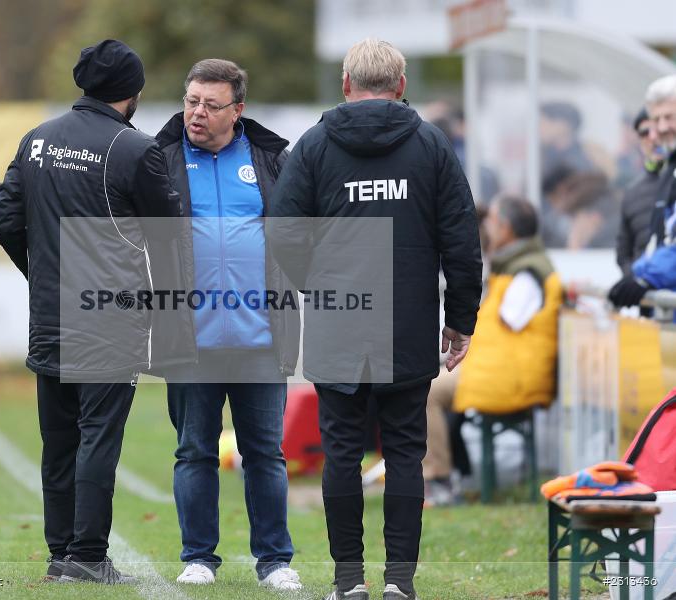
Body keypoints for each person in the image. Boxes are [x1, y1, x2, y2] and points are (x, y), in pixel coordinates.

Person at [267, 38, 483, 600]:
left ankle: (346, 580)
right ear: (402, 86)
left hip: (339, 321)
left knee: (340, 450)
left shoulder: (313, 147)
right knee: (406, 451)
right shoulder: (432, 146)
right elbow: (462, 240)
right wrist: (461, 320)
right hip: (407, 321)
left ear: (345, 84)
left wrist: (320, 287)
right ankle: (400, 582)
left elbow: (283, 236)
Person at [0, 39, 180, 585]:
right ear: (133, 92)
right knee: (98, 436)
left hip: (51, 314)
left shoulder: (38, 140)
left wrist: (42, 273)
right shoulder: (134, 149)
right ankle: (89, 555)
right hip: (111, 317)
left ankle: (60, 555)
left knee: (60, 439)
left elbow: (5, 221)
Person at [152, 59, 302, 590]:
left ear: (237, 110)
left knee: (265, 453)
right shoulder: (160, 158)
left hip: (261, 336)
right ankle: (198, 558)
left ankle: (275, 561)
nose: (197, 112)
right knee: (194, 450)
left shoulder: (271, 160)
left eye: (211, 105)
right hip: (188, 339)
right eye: (191, 100)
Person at [452, 196, 562, 416]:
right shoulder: (514, 266)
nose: (486, 228)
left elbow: (509, 321)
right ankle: (453, 452)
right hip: (497, 371)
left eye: (491, 220)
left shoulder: (526, 273)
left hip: (507, 378)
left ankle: (438, 453)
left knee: (429, 391)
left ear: (506, 229)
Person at [609, 74, 676, 308]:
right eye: (657, 120)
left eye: (669, 117)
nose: (661, 129)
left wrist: (645, 279)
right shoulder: (668, 173)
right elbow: (660, 241)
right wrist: (636, 277)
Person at [616, 108, 664, 276]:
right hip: (646, 296)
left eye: (658, 130)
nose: (653, 138)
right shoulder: (631, 194)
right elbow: (623, 254)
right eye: (644, 133)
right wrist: (637, 282)